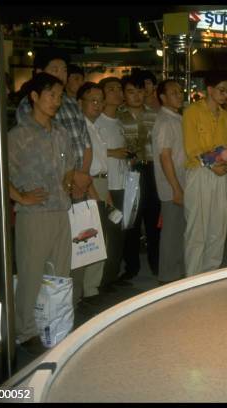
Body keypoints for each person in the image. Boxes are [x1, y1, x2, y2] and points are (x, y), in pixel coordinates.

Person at [8, 73, 76, 352]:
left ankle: (56, 325)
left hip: (61, 210)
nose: (56, 101)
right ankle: (25, 332)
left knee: (60, 274)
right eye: (51, 95)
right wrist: (21, 197)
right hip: (33, 214)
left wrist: (69, 180)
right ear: (34, 97)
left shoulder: (60, 132)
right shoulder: (17, 135)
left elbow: (70, 164)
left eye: (59, 96)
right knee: (30, 274)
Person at [16, 48, 92, 200]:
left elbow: (86, 145)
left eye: (64, 70)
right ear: (39, 73)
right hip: (50, 185)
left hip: (79, 184)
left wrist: (82, 176)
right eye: (55, 70)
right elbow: (39, 147)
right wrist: (73, 176)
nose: (61, 75)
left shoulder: (71, 103)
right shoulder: (30, 105)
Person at [182, 70, 227, 276]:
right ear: (210, 90)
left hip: (219, 174)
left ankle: (210, 276)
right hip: (199, 171)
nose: (225, 95)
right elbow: (191, 147)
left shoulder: (226, 117)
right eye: (222, 90)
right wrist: (213, 164)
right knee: (197, 228)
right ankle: (192, 279)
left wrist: (226, 166)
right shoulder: (192, 112)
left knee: (218, 227)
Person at [117, 74, 160, 280]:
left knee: (153, 220)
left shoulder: (155, 115)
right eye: (131, 92)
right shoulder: (117, 116)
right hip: (129, 172)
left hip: (151, 170)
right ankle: (131, 267)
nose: (136, 96)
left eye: (140, 91)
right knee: (131, 220)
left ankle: (156, 262)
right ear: (124, 94)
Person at [76, 82, 109, 304]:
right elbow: (82, 166)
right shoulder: (80, 128)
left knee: (99, 240)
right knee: (88, 239)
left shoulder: (95, 127)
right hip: (89, 184)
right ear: (80, 103)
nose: (98, 105)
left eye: (100, 101)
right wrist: (93, 192)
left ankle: (92, 288)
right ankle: (87, 291)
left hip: (101, 183)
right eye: (93, 101)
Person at [96, 76, 129, 289]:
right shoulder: (96, 121)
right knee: (106, 235)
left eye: (119, 88)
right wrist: (113, 152)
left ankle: (112, 276)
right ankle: (102, 281)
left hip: (122, 183)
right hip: (106, 185)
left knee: (118, 233)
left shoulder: (119, 121)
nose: (117, 92)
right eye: (111, 89)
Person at [152, 80, 186, 283]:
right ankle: (167, 278)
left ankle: (176, 274)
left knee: (179, 231)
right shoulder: (164, 121)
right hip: (172, 186)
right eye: (173, 92)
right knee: (172, 233)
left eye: (180, 92)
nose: (179, 95)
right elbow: (165, 157)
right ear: (163, 98)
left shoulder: (177, 118)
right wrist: (176, 188)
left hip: (182, 182)